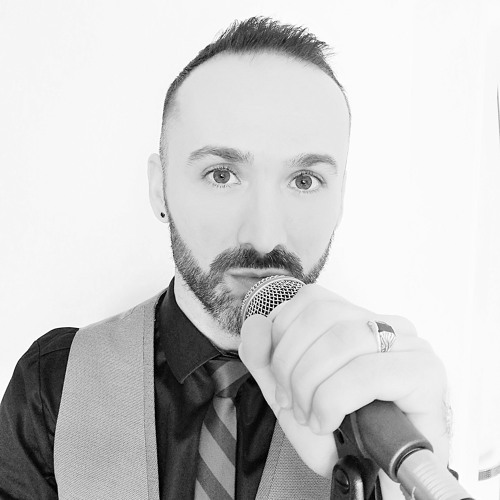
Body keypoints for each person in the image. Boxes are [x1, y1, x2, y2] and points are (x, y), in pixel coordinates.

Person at [0, 16, 451, 500]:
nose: (264, 236)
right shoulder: (53, 385)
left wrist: (416, 482)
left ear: (340, 198)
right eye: (221, 175)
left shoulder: (379, 407)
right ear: (160, 189)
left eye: (304, 181)